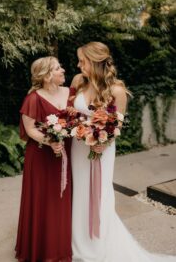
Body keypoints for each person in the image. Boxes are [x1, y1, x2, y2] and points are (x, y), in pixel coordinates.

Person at [70, 41, 176, 262]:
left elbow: (116, 125)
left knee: (100, 193)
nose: (79, 65)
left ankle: (99, 243)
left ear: (95, 61)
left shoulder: (117, 90)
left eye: (83, 61)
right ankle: (78, 241)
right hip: (78, 147)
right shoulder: (79, 81)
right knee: (80, 191)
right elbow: (71, 111)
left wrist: (102, 141)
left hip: (102, 148)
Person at [15, 56, 74, 262]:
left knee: (62, 200)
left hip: (67, 153)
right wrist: (50, 141)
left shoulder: (70, 93)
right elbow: (30, 129)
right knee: (43, 199)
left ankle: (60, 247)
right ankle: (41, 249)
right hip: (41, 156)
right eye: (59, 68)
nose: (63, 70)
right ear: (48, 75)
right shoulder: (33, 99)